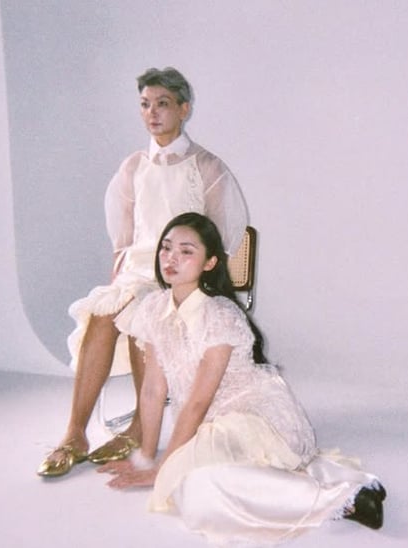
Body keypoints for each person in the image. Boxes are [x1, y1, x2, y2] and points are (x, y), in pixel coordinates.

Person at [97, 213, 386, 544]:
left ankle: (344, 499)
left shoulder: (219, 314)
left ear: (210, 263)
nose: (171, 258)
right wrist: (146, 458)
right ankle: (348, 487)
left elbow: (198, 402)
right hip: (211, 427)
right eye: (166, 248)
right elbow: (152, 389)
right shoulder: (153, 308)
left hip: (256, 419)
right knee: (187, 482)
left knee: (191, 488)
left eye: (186, 251)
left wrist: (164, 468)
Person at [37, 67, 249, 477]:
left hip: (181, 275)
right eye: (145, 104)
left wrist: (191, 278)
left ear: (184, 109)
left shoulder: (205, 166)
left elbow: (218, 238)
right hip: (139, 272)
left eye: (163, 104)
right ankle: (74, 433)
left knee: (142, 314)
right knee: (103, 312)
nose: (152, 113)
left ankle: (139, 426)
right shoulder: (133, 166)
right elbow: (125, 236)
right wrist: (119, 283)